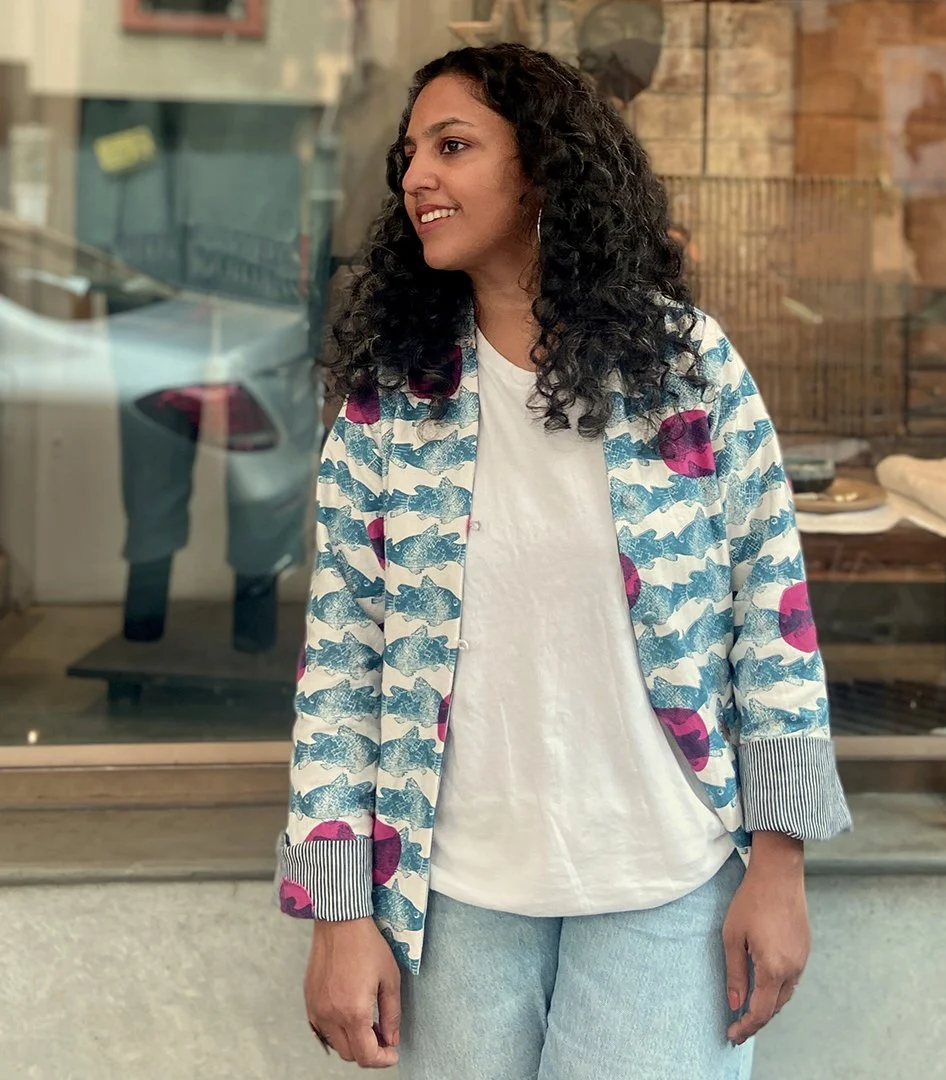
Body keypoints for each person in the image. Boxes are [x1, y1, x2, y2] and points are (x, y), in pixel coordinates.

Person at [278, 42, 852, 1079]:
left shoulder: (687, 370)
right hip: (449, 903)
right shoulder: (392, 401)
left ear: (542, 168)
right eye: (411, 154)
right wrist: (338, 914)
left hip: (667, 887)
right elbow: (341, 668)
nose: (417, 177)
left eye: (453, 146)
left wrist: (781, 865)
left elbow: (773, 615)